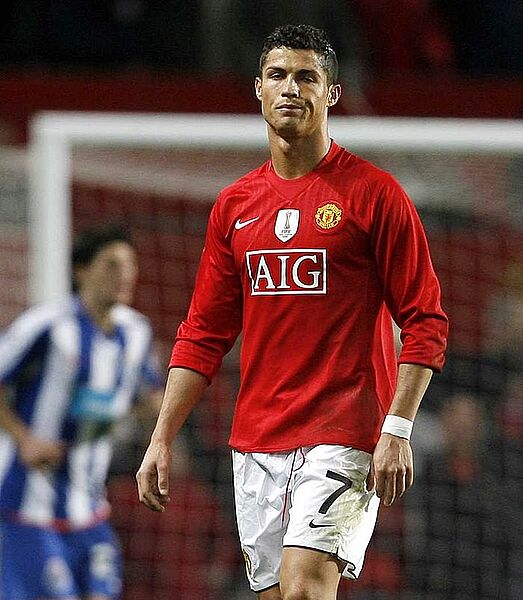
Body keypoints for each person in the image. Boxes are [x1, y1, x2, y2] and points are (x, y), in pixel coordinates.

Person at [136, 24, 448, 600]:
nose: (291, 88)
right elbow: (203, 334)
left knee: (305, 590)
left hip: (346, 430)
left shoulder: (375, 195)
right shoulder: (234, 206)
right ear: (258, 88)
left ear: (331, 93)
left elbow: (425, 320)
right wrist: (161, 438)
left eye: (307, 77)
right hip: (257, 438)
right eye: (278, 75)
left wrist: (397, 428)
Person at [0, 224, 162, 600]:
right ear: (81, 271)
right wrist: (25, 439)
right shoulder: (47, 326)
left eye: (130, 264)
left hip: (90, 509)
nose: (125, 274)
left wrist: (157, 420)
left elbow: (147, 397)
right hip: (29, 507)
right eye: (111, 264)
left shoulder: (136, 332)